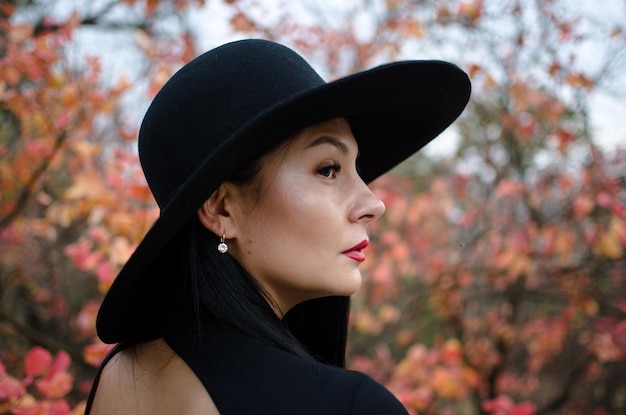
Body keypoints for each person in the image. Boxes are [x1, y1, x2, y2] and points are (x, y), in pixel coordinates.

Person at [85, 38, 470, 414]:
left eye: (357, 170)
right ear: (222, 209)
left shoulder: (118, 377)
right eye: (328, 169)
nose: (374, 204)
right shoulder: (347, 404)